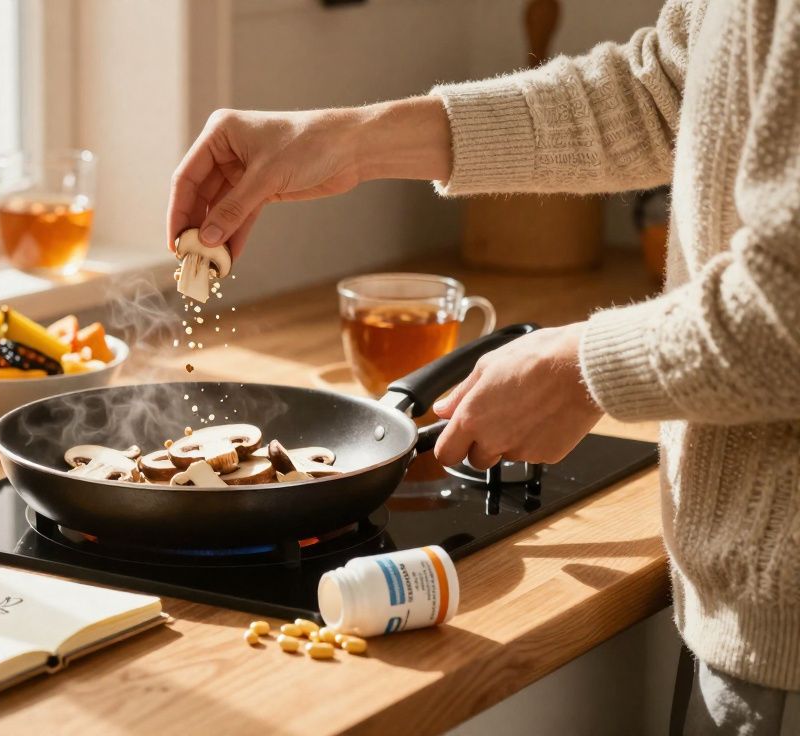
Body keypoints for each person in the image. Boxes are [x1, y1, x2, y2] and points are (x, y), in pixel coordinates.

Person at [166, 1, 799, 732]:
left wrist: (581, 365)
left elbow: (787, 304)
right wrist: (349, 139)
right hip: (743, 602)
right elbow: (664, 90)